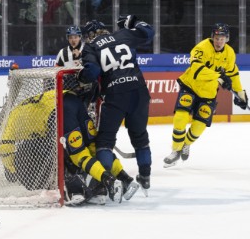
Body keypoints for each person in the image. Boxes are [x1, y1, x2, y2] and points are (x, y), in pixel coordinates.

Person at [0, 73, 139, 206]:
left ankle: (106, 181)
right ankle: (125, 178)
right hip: (72, 100)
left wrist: (12, 170)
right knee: (93, 146)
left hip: (59, 110)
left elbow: (5, 148)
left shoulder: (13, 116)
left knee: (77, 154)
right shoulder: (29, 103)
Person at [78, 16, 154, 195]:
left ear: (89, 34)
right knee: (140, 137)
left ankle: (105, 182)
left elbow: (93, 72)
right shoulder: (123, 35)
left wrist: (81, 77)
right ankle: (145, 176)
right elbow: (149, 32)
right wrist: (134, 21)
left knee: (104, 141)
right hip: (139, 90)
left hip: (115, 94)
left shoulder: (90, 46)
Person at [163, 23, 248, 168]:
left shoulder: (229, 53)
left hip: (208, 93)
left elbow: (233, 73)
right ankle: (175, 150)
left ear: (226, 39)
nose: (219, 41)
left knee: (200, 126)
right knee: (180, 118)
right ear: (212, 37)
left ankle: (186, 145)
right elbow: (196, 70)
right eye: (216, 38)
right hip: (190, 86)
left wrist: (241, 94)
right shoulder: (201, 48)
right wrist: (219, 77)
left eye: (222, 38)